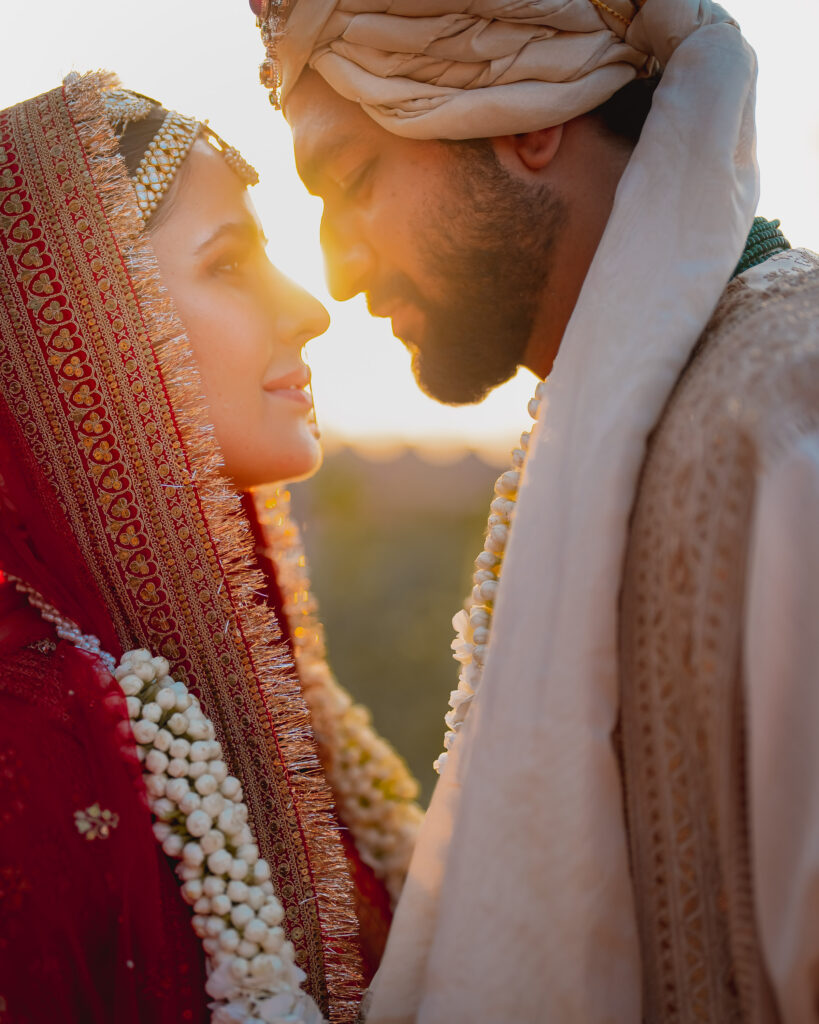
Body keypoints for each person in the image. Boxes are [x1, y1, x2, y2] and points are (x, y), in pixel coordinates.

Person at [250, 1, 819, 1020]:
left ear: (523, 116)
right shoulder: (613, 427)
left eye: (352, 179)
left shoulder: (783, 414)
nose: (335, 270)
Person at [0, 72, 422, 1023]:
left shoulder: (236, 684)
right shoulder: (30, 742)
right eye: (231, 264)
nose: (310, 311)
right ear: (86, 326)